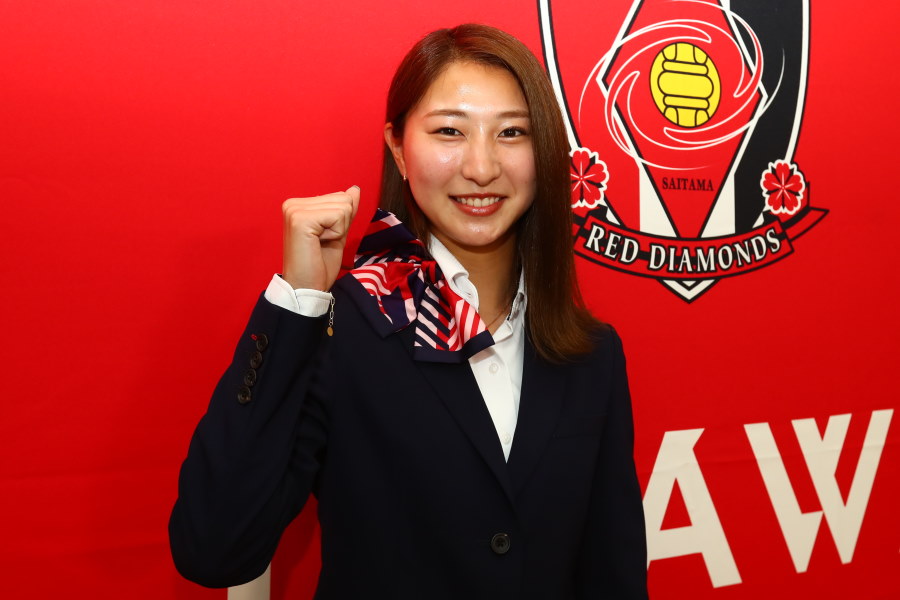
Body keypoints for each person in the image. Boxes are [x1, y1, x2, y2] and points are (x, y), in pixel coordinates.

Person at [170, 23, 648, 599]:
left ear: (543, 152)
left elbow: (612, 573)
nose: (481, 167)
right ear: (398, 147)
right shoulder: (342, 330)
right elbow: (214, 546)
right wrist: (298, 304)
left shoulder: (591, 353)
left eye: (511, 132)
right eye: (449, 130)